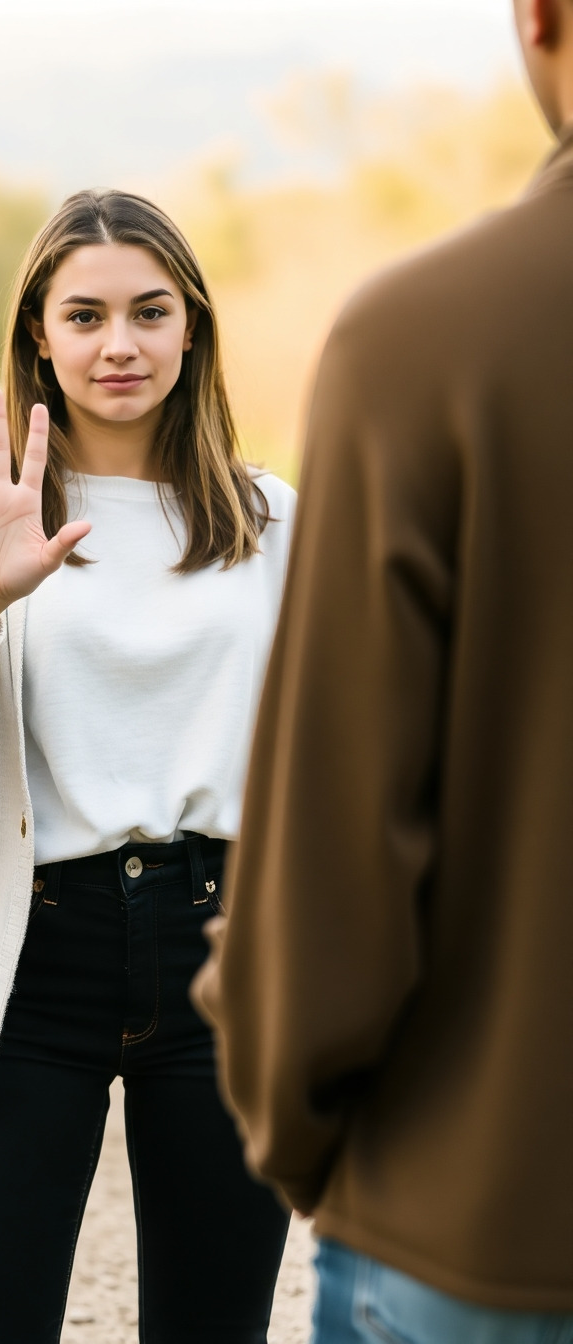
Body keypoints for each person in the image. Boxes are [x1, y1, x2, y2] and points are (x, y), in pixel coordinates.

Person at [0, 188, 295, 1344]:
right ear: (38, 331)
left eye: (147, 312)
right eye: (82, 316)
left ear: (193, 327)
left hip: (224, 958)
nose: (117, 345)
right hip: (24, 960)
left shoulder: (272, 518)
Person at [192, 2, 573, 1341]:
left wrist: (297, 1126)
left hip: (483, 1223)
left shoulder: (425, 347)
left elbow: (338, 849)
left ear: (537, 20)